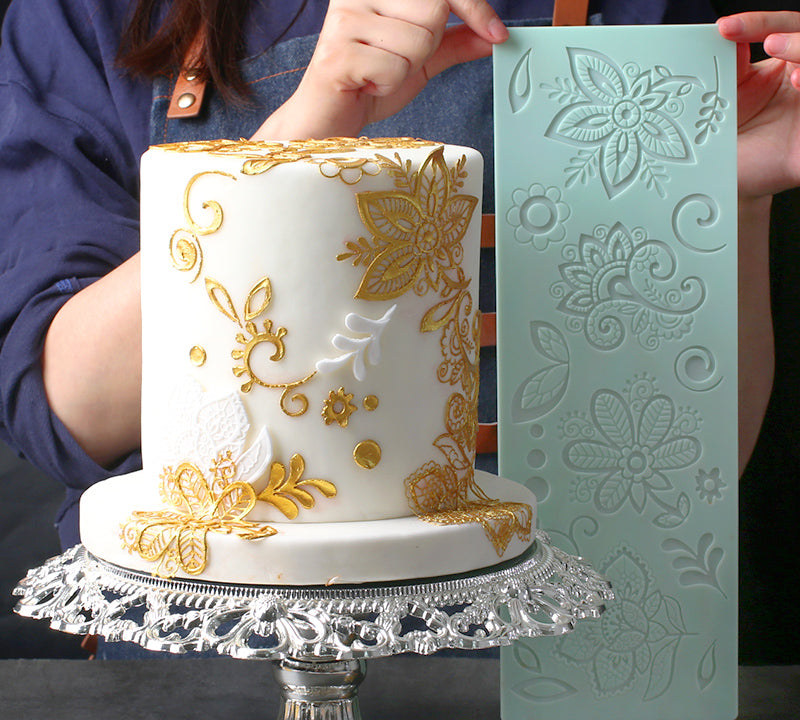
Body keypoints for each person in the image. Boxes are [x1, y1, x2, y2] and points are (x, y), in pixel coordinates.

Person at [0, 0, 798, 657]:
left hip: (560, 648)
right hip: (204, 659)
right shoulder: (90, 13)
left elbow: (679, 474)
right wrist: (302, 135)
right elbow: (67, 408)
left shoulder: (647, 11)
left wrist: (731, 201)